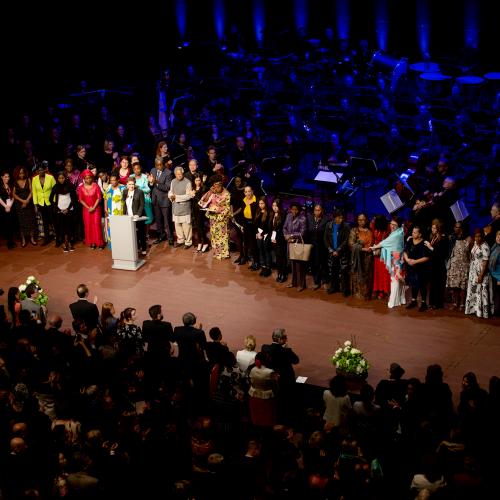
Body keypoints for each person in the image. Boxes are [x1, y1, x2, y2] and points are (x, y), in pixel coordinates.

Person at [370, 218, 406, 308]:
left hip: (396, 259)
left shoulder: (396, 235)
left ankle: (393, 301)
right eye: (391, 224)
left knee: (394, 279)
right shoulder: (400, 231)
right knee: (397, 280)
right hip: (398, 257)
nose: (392, 226)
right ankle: (401, 299)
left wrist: (374, 247)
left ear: (398, 226)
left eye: (394, 225)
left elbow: (384, 243)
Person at [198, 175, 232, 260]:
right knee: (214, 235)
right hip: (213, 218)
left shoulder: (226, 194)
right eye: (215, 187)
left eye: (218, 187)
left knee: (223, 236)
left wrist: (219, 210)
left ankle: (224, 254)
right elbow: (202, 202)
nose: (216, 189)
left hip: (222, 218)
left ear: (221, 186)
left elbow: (228, 208)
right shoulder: (212, 193)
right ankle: (217, 253)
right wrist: (210, 191)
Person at [465, 229, 492, 318]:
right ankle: (473, 309)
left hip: (481, 271)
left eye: (479, 236)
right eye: (476, 236)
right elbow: (472, 255)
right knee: (473, 289)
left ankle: (482, 312)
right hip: (473, 270)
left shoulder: (485, 246)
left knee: (481, 291)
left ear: (483, 236)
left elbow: (485, 262)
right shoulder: (475, 244)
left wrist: (481, 275)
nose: (478, 238)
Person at [404, 226, 432, 311]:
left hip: (421, 268)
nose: (413, 234)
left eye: (415, 232)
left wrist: (416, 261)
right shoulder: (409, 241)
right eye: (412, 232)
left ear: (420, 234)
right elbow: (405, 251)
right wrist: (407, 259)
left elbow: (427, 257)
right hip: (411, 267)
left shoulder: (424, 243)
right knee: (413, 284)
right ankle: (413, 300)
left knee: (422, 285)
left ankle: (424, 303)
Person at [446, 221, 472, 310]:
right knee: (455, 285)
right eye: (455, 227)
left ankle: (462, 304)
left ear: (461, 229)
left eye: (457, 227)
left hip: (464, 265)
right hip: (454, 265)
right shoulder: (452, 237)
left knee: (463, 286)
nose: (455, 229)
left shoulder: (468, 239)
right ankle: (455, 303)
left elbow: (471, 253)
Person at [324, 209, 351, 295]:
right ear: (334, 217)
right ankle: (333, 288)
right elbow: (325, 239)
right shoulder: (329, 225)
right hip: (332, 252)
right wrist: (331, 250)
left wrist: (338, 250)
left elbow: (346, 240)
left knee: (344, 272)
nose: (341, 220)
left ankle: (345, 290)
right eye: (339, 218)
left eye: (342, 218)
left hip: (342, 253)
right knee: (333, 271)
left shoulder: (346, 226)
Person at [248, 352, 278, 427]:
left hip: (254, 397)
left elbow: (250, 382)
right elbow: (275, 386)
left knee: (256, 416)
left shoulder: (252, 369)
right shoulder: (270, 372)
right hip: (266, 399)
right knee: (267, 418)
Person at [148, 157, 174, 245]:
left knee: (167, 221)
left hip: (164, 200)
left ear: (164, 164)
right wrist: (151, 183)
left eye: (161, 164)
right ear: (155, 165)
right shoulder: (152, 170)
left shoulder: (168, 173)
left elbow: (167, 187)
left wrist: (155, 182)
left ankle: (170, 238)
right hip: (155, 199)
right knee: (158, 221)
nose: (160, 167)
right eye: (158, 165)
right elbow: (150, 185)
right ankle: (161, 236)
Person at [51, 171, 78, 252]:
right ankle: (64, 243)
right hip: (59, 210)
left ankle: (69, 242)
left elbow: (74, 199)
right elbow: (50, 199)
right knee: (61, 227)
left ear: (65, 178)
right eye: (59, 178)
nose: (61, 180)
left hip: (69, 209)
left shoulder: (70, 186)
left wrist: (68, 209)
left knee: (69, 227)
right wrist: (59, 209)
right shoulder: (55, 187)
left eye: (62, 178)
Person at [349, 213, 374, 299]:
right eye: (359, 220)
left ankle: (366, 294)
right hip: (358, 258)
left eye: (363, 220)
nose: (361, 222)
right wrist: (363, 249)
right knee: (357, 276)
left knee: (367, 277)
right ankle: (357, 295)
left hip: (368, 259)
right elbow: (351, 244)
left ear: (366, 220)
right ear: (357, 220)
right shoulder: (354, 230)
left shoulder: (370, 231)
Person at [283, 202, 308, 290]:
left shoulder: (303, 218)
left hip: (298, 243)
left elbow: (303, 233)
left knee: (299, 265)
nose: (294, 211)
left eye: (296, 209)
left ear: (299, 210)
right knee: (292, 264)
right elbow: (284, 227)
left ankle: (302, 284)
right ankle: (293, 282)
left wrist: (291, 236)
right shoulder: (288, 216)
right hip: (290, 243)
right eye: (292, 209)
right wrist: (286, 236)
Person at [78, 169, 104, 250]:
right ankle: (92, 242)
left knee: (96, 225)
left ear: (92, 178)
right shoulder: (81, 187)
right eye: (86, 178)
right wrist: (88, 207)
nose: (88, 179)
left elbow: (99, 198)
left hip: (96, 209)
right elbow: (80, 199)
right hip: (86, 210)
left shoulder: (96, 186)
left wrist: (93, 207)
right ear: (84, 179)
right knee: (88, 226)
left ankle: (100, 243)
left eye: (89, 178)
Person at [169, 166, 194, 249]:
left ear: (183, 173)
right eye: (177, 174)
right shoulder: (173, 181)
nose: (179, 176)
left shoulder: (187, 182)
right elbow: (170, 191)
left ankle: (188, 242)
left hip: (184, 207)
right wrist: (170, 196)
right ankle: (180, 240)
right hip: (176, 207)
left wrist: (176, 197)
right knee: (177, 225)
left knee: (186, 226)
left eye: (180, 174)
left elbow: (188, 196)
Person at [426, 219, 448, 309]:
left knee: (438, 284)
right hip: (432, 264)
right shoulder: (433, 237)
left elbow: (442, 254)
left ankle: (438, 303)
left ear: (439, 229)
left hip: (439, 265)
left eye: (434, 228)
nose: (432, 229)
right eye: (432, 227)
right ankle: (431, 302)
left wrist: (430, 248)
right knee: (432, 284)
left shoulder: (444, 239)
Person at [32, 163, 56, 245]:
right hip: (41, 203)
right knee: (45, 221)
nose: (40, 171)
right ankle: (47, 238)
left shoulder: (51, 177)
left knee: (53, 220)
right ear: (37, 171)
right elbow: (34, 192)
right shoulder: (34, 179)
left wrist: (55, 202)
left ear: (45, 169)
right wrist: (35, 204)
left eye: (42, 169)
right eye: (39, 170)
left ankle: (58, 236)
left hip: (50, 203)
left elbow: (55, 190)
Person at [12, 166, 37, 247]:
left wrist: (27, 200)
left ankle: (32, 238)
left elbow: (32, 191)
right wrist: (22, 201)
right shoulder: (15, 181)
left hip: (28, 203)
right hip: (19, 205)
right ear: (17, 173)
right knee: (22, 222)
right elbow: (14, 194)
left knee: (31, 221)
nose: (21, 174)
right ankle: (23, 239)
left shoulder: (28, 180)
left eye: (22, 173)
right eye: (20, 173)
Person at [123, 177, 147, 255]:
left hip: (138, 217)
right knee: (133, 234)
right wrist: (124, 215)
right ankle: (136, 248)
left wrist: (138, 215)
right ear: (127, 185)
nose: (131, 186)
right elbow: (124, 204)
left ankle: (143, 248)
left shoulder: (139, 192)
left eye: (133, 184)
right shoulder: (125, 191)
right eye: (129, 184)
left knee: (141, 233)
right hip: (129, 216)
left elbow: (142, 204)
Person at [307, 204, 329, 290]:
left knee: (324, 264)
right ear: (313, 211)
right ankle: (316, 282)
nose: (317, 212)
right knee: (314, 264)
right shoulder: (310, 219)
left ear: (322, 211)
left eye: (319, 210)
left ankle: (325, 281)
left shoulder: (326, 219)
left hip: (323, 246)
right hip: (313, 246)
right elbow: (308, 232)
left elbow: (327, 234)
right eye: (316, 210)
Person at [371, 215, 391, 299]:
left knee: (384, 273)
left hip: (384, 252)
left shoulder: (387, 229)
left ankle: (384, 291)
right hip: (376, 254)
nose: (374, 221)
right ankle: (377, 290)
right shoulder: (374, 228)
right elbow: (371, 224)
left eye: (376, 220)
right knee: (377, 273)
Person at [103, 173, 125, 248]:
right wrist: (105, 208)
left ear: (118, 180)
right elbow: (105, 198)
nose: (112, 182)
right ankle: (112, 245)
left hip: (120, 212)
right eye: (111, 180)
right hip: (110, 211)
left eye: (114, 180)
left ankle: (120, 244)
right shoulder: (108, 188)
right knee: (111, 228)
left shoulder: (122, 188)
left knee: (120, 228)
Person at [129, 162, 153, 226]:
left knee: (150, 219)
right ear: (133, 170)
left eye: (138, 169)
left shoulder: (145, 177)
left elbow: (148, 189)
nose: (137, 170)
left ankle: (145, 228)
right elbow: (128, 187)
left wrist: (138, 188)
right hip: (134, 199)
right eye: (135, 169)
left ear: (140, 169)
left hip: (145, 198)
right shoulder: (131, 176)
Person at [254, 196, 273, 277]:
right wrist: (257, 233)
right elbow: (256, 224)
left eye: (262, 203)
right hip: (259, 234)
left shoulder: (269, 213)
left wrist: (261, 234)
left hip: (266, 235)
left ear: (266, 203)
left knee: (266, 251)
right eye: (259, 203)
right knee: (260, 251)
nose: (260, 205)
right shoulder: (258, 211)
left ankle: (268, 268)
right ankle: (263, 267)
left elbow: (268, 226)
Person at [270, 198, 288, 283]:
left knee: (282, 257)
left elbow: (282, 228)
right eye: (273, 206)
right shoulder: (272, 214)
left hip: (281, 239)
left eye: (276, 206)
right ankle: (279, 273)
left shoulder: (284, 214)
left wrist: (276, 237)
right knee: (277, 256)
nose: (274, 207)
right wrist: (273, 237)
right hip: (274, 238)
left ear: (279, 206)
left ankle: (283, 274)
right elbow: (272, 228)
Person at [191, 174, 209, 252]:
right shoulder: (193, 188)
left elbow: (201, 201)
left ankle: (205, 243)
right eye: (196, 180)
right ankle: (199, 243)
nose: (197, 182)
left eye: (198, 180)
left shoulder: (203, 188)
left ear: (201, 181)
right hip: (194, 210)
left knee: (201, 227)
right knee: (197, 228)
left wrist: (194, 195)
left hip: (201, 210)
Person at [0, 170, 16, 249]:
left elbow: (12, 196)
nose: (7, 178)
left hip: (11, 207)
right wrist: (5, 206)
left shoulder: (10, 185)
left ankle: (11, 241)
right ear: (2, 177)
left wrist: (10, 205)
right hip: (3, 208)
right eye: (5, 177)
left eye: (8, 177)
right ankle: (9, 243)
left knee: (11, 224)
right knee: (6, 225)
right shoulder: (0, 186)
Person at [489, 230, 500, 316]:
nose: (499, 238)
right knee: (493, 294)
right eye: (497, 236)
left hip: (498, 276)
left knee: (498, 296)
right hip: (492, 275)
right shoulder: (494, 247)